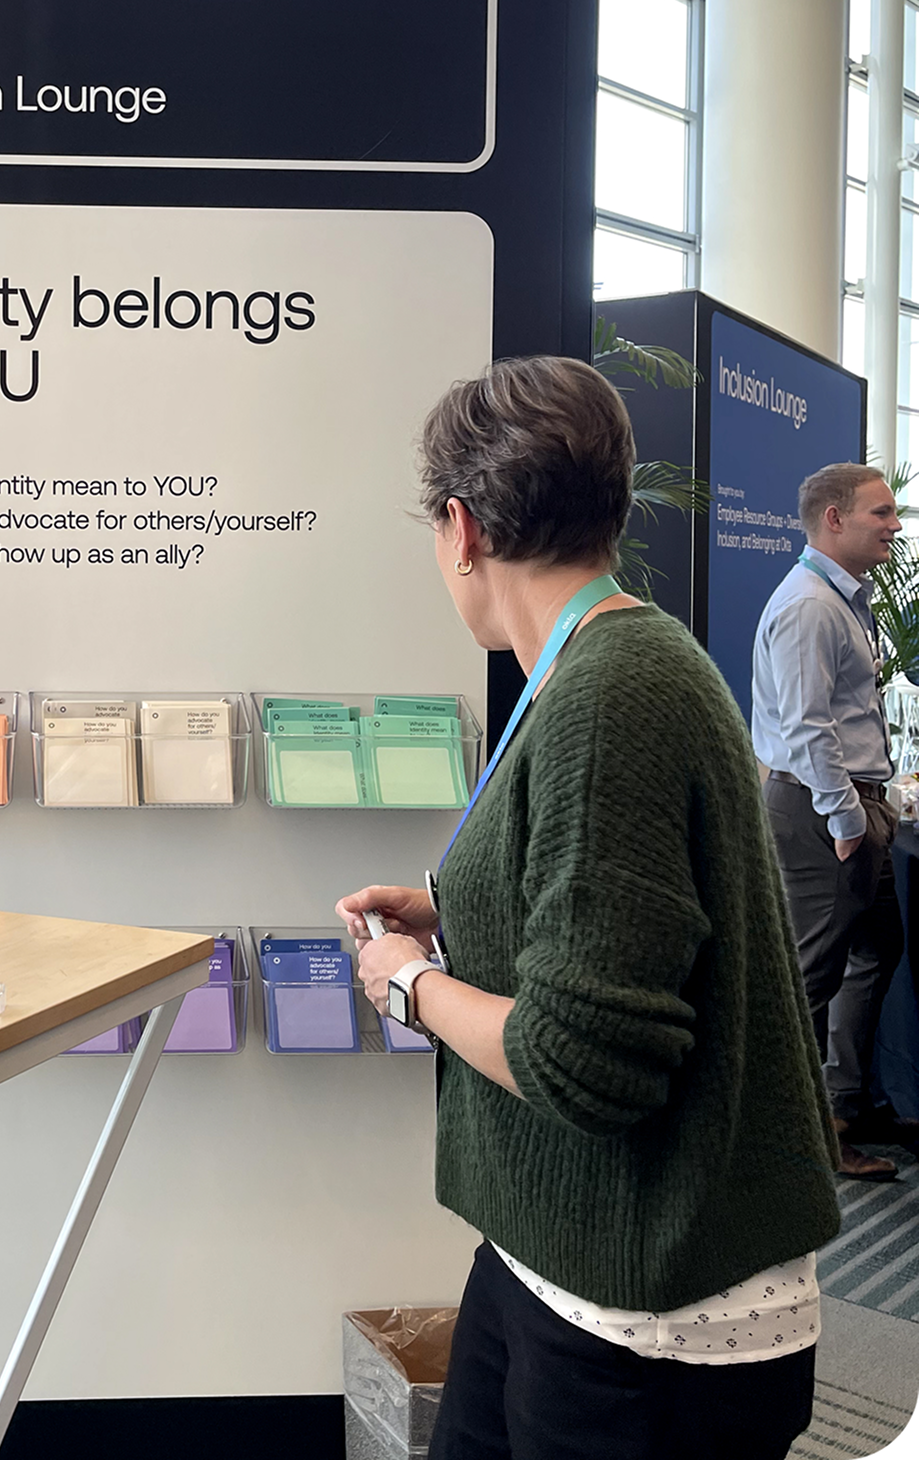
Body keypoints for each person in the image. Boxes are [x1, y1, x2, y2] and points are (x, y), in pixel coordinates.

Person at [338, 356, 839, 1460]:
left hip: (648, 1316)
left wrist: (408, 984)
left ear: (461, 529)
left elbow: (583, 1063)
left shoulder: (614, 697)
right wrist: (451, 911)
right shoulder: (596, 668)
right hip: (555, 1256)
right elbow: (621, 917)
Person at [752, 462, 910, 1181]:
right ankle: (800, 1138)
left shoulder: (843, 599)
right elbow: (807, 729)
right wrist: (848, 821)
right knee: (810, 978)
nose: (895, 526)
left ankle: (847, 1105)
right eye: (882, 513)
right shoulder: (810, 606)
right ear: (834, 519)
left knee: (877, 949)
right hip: (824, 809)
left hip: (849, 805)